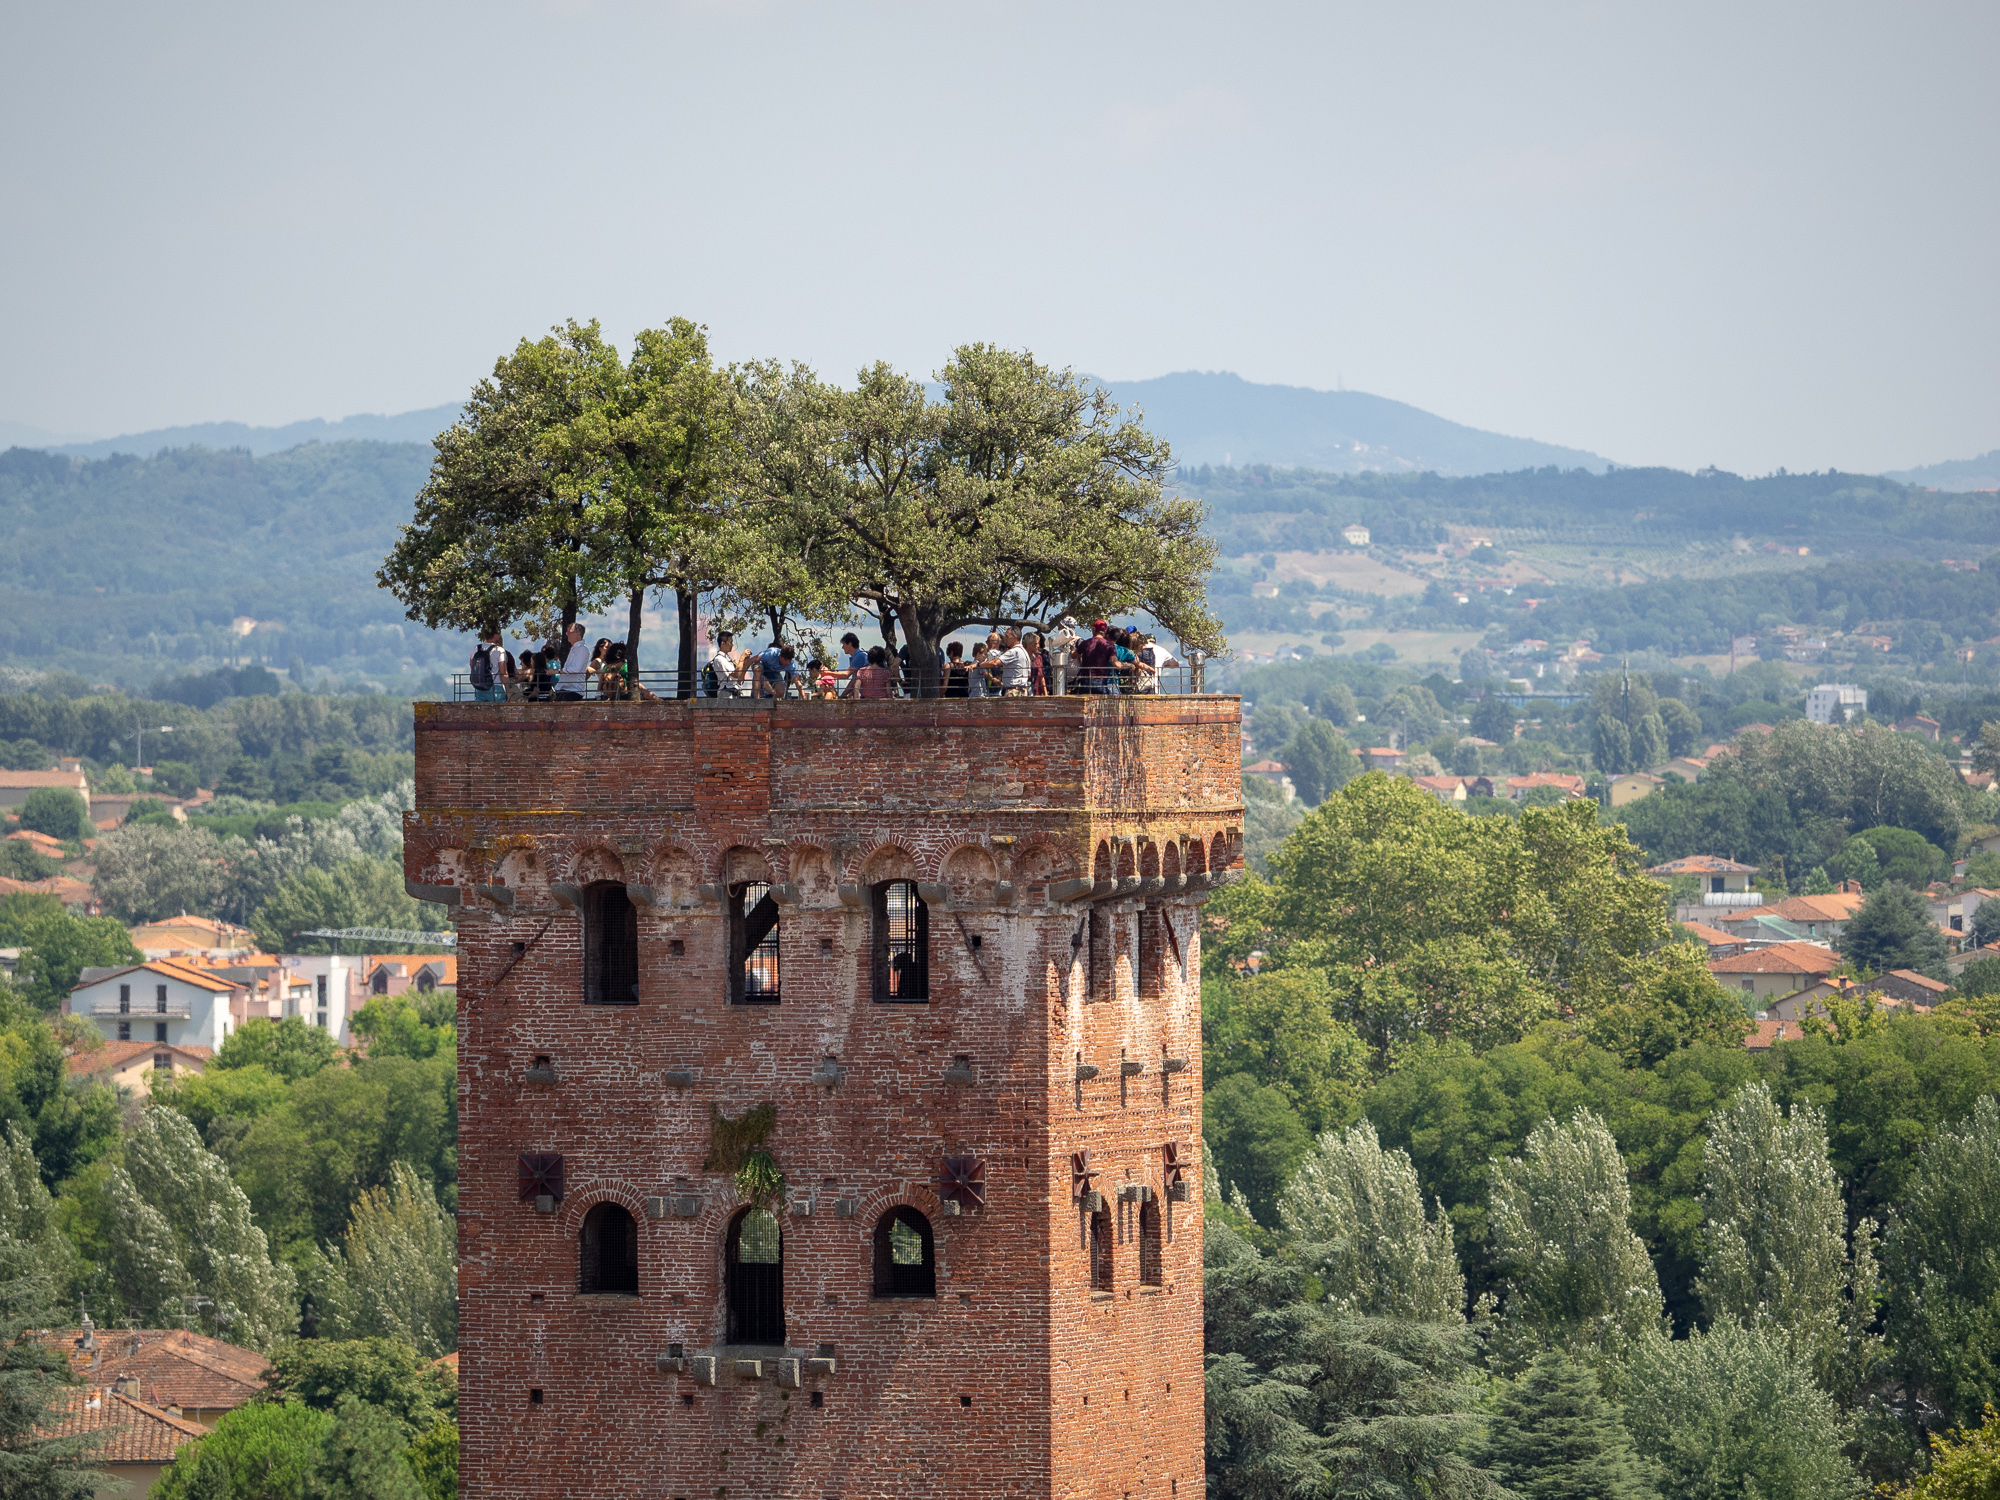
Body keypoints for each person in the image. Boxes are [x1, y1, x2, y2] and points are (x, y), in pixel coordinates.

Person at [1072, 619, 1117, 694]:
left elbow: (1074, 656)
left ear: (1094, 629)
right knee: (1102, 700)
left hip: (1086, 680)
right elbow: (1116, 664)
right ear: (1105, 631)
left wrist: (1072, 649)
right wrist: (1128, 665)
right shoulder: (1109, 645)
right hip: (1101, 680)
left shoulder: (1085, 643)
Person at [469, 624, 511, 702]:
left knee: (481, 709)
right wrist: (508, 690)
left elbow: (472, 665)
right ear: (495, 636)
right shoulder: (500, 651)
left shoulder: (476, 649)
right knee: (498, 709)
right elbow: (503, 672)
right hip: (496, 687)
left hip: (479, 687)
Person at [552, 623, 591, 701]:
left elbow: (576, 669)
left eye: (569, 632)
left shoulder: (582, 649)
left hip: (573, 690)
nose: (567, 634)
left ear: (578, 634)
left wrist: (558, 671)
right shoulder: (574, 648)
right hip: (565, 689)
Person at [994, 627, 1033, 698]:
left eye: (1007, 636)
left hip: (1013, 691)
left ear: (1015, 637)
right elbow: (1029, 673)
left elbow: (995, 663)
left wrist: (979, 664)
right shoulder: (1024, 652)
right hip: (1023, 690)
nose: (1005, 638)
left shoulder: (1014, 651)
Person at [1023, 629, 1050, 696]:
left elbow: (1042, 677)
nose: (1038, 646)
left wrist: (1046, 694)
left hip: (1037, 693)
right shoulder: (1021, 657)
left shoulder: (1038, 658)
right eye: (1035, 644)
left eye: (1038, 643)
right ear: (1028, 645)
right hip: (1024, 692)